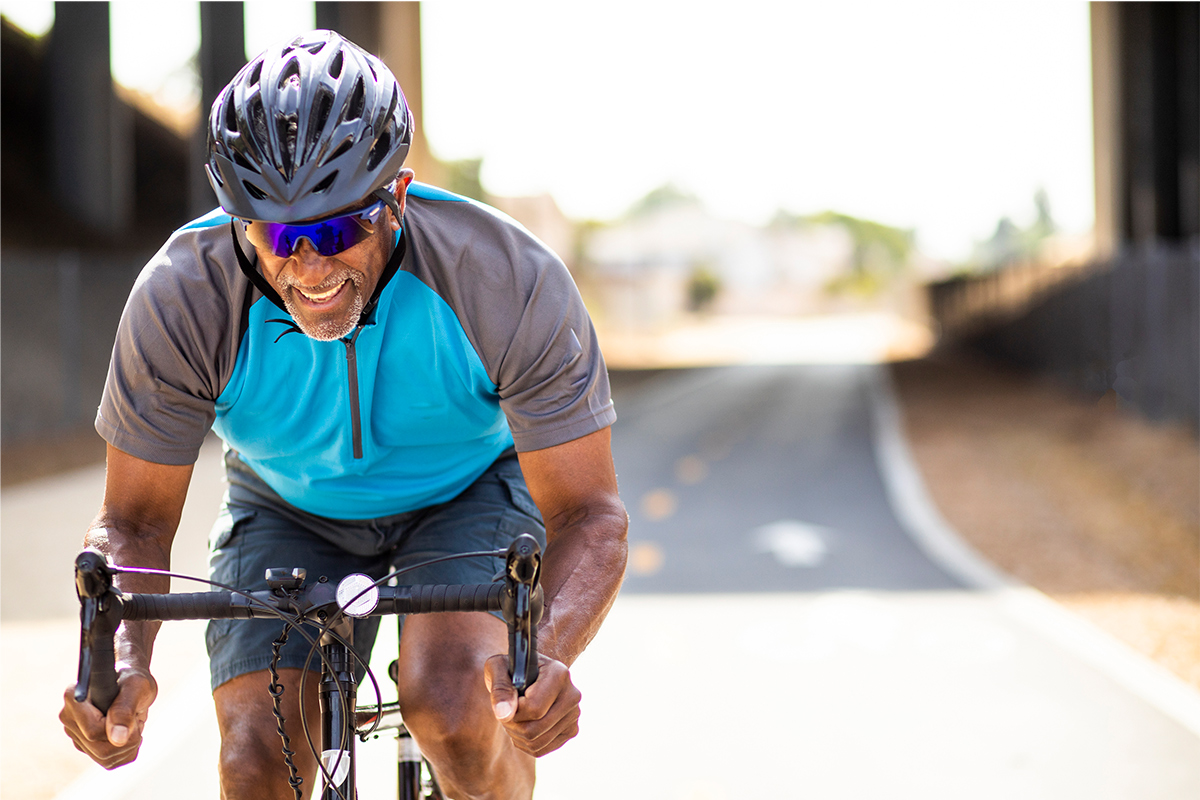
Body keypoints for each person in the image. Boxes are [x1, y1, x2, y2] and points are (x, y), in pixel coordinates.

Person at [59, 30, 628, 800]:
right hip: (285, 504)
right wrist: (120, 659)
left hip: (467, 490)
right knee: (255, 762)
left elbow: (591, 514)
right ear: (239, 224)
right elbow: (131, 522)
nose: (311, 266)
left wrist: (547, 655)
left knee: (458, 708)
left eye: (336, 229)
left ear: (397, 196)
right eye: (282, 235)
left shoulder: (503, 276)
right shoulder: (183, 296)